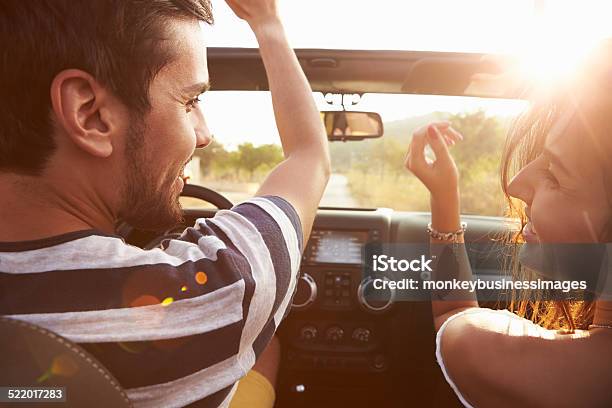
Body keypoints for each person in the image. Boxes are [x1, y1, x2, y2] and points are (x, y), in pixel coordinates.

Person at [0, 1, 330, 407]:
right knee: (268, 348)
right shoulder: (212, 293)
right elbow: (309, 158)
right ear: (90, 114)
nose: (204, 134)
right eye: (190, 102)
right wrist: (268, 23)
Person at [404, 44, 612, 407]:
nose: (516, 184)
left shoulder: (557, 375)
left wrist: (444, 196)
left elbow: (455, 318)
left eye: (555, 174)